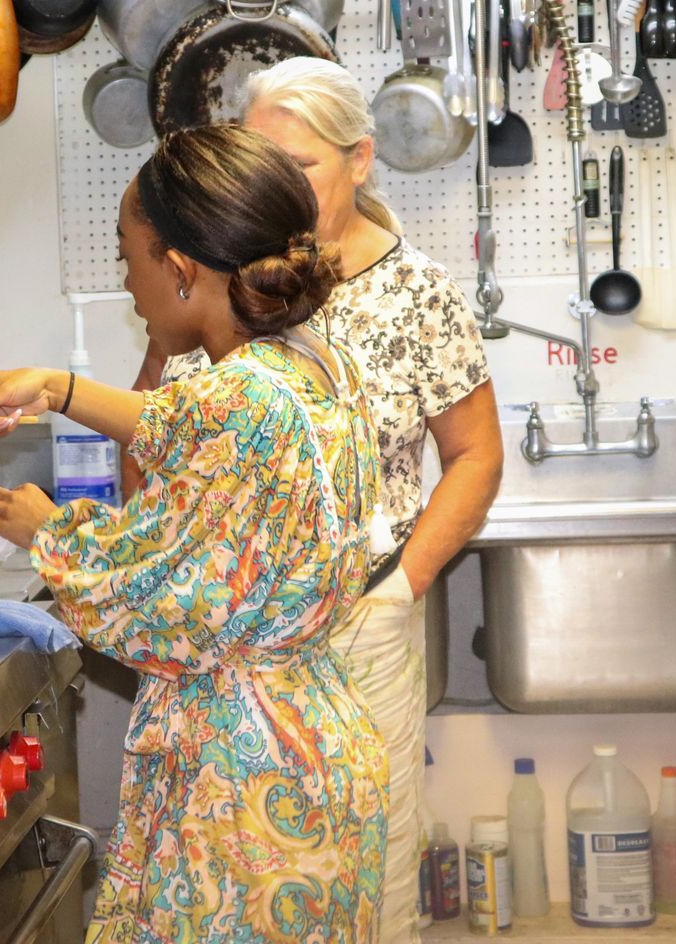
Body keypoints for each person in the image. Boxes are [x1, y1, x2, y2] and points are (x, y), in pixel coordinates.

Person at [0, 123, 387, 942]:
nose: (128, 281)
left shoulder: (237, 401)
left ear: (180, 270)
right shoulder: (310, 362)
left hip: (242, 783)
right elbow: (182, 426)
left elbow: (163, 612)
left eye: (129, 258)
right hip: (315, 746)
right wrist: (56, 387)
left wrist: (53, 533)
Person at [131, 57, 503, 943]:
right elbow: (150, 428)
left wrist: (399, 589)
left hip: (355, 627)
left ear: (361, 159)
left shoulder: (416, 295)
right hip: (223, 644)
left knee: (366, 893)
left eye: (301, 167)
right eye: (261, 164)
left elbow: (477, 458)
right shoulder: (217, 279)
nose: (279, 187)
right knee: (235, 895)